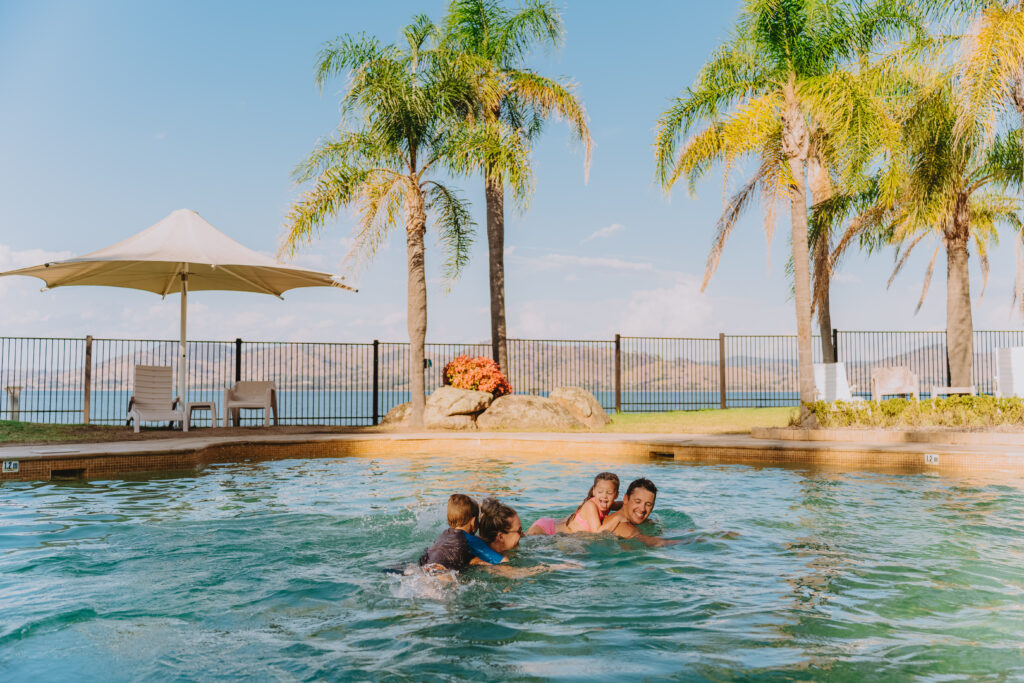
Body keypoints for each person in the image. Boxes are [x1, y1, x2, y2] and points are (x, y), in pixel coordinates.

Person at [477, 497, 581, 576]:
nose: (523, 535)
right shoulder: (482, 560)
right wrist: (558, 566)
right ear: (500, 537)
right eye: (519, 531)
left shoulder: (497, 550)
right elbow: (516, 573)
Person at [418, 493, 503, 572]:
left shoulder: (444, 535)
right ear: (473, 522)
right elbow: (501, 561)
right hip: (442, 574)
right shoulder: (470, 540)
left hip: (423, 566)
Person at [526, 472, 620, 536]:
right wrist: (618, 518)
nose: (604, 496)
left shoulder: (608, 504)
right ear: (594, 491)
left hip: (555, 528)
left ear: (616, 495)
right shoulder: (591, 506)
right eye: (600, 492)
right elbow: (597, 532)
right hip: (546, 529)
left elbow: (626, 505)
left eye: (609, 493)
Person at [598, 477, 679, 547]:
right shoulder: (624, 526)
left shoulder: (633, 520)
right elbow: (654, 542)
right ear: (625, 499)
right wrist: (688, 541)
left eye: (648, 504)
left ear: (653, 506)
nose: (642, 509)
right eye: (637, 501)